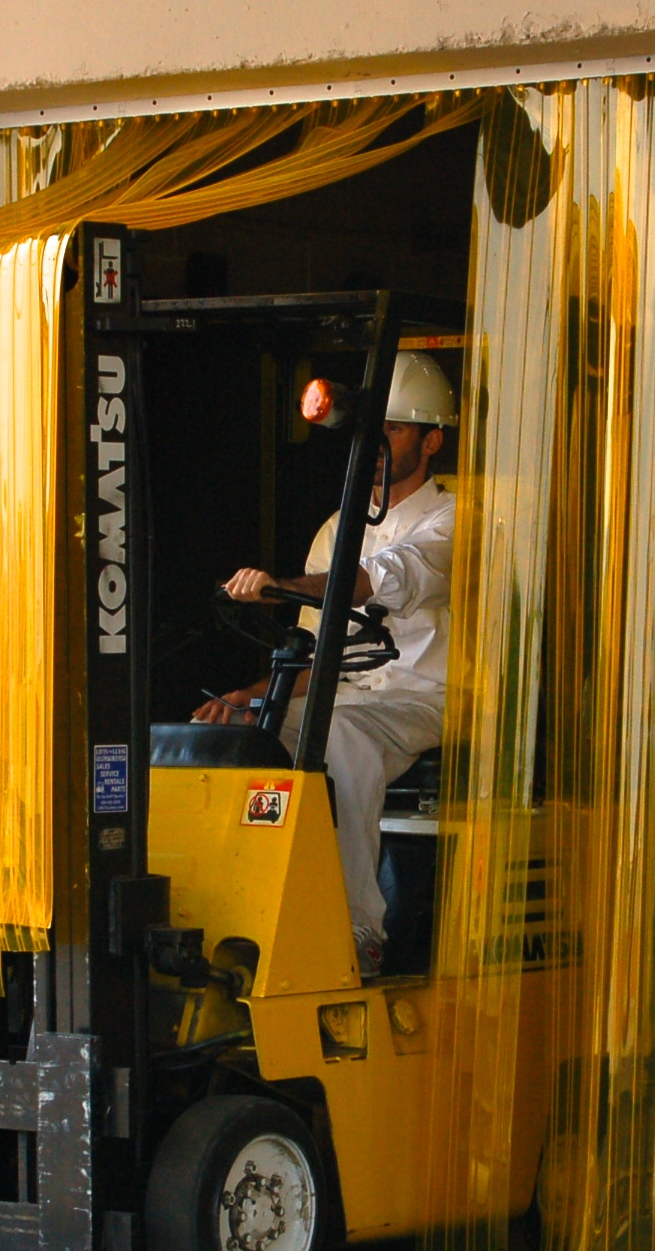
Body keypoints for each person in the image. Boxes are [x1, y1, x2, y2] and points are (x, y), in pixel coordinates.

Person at [195, 352, 457, 977]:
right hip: (346, 693)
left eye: (392, 430)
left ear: (431, 440)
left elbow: (376, 581)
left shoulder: (455, 520)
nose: (376, 445)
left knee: (337, 737)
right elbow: (316, 652)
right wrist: (254, 696)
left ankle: (359, 927)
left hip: (421, 699)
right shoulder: (340, 526)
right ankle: (243, 912)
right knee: (239, 739)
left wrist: (281, 585)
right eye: (371, 432)